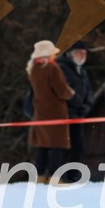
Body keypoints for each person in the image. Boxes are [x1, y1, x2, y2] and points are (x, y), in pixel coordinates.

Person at [27, 40, 74, 184]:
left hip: (40, 112)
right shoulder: (53, 68)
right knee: (57, 145)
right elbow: (61, 90)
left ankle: (40, 175)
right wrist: (70, 93)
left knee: (42, 145)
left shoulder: (33, 69)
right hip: (55, 112)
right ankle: (55, 177)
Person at [57, 40, 93, 180]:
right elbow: (64, 90)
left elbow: (89, 91)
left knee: (79, 147)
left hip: (79, 116)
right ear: (72, 53)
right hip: (65, 115)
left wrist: (88, 106)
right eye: (80, 53)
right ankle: (61, 177)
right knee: (63, 148)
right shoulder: (62, 68)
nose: (83, 56)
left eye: (84, 53)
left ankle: (73, 177)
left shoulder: (82, 70)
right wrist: (78, 103)